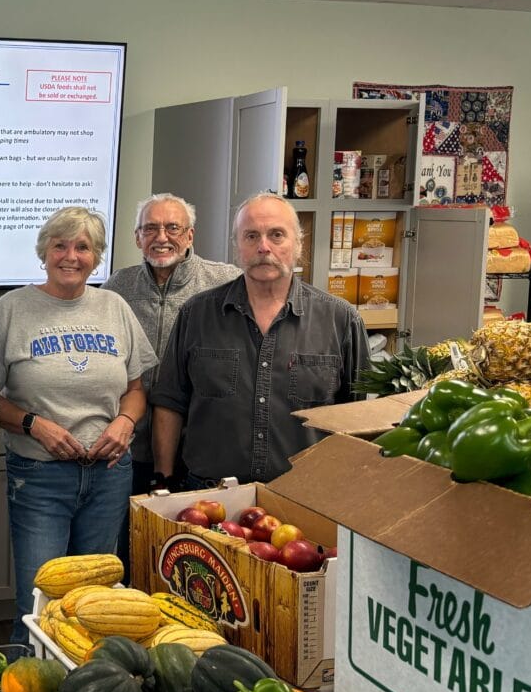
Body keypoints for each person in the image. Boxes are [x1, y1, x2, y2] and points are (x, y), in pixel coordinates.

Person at [0, 207, 156, 645]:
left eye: (83, 247)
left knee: (96, 604)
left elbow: (136, 389)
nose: (70, 256)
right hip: (40, 478)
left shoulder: (114, 307)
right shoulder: (11, 310)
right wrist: (32, 424)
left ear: (96, 256)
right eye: (60, 245)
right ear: (44, 251)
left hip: (109, 475)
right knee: (39, 601)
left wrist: (124, 421)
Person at [152, 193, 371, 487]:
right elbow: (170, 402)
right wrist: (162, 481)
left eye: (276, 235)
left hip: (307, 498)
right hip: (208, 496)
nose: (263, 247)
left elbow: (360, 417)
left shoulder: (341, 320)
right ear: (237, 246)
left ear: (299, 245)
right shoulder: (197, 314)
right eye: (251, 236)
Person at [101, 194, 240, 579]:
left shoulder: (224, 282)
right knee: (135, 548)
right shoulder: (117, 287)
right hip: (132, 445)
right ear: (136, 237)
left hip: (202, 446)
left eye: (172, 228)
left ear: (190, 234)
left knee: (200, 555)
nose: (161, 237)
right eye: (150, 228)